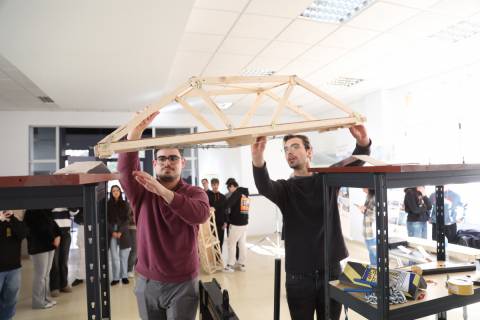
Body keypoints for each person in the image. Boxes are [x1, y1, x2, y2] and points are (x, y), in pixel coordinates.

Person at [251, 125, 371, 320]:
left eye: (295, 146)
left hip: (330, 272)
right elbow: (264, 185)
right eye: (286, 149)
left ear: (309, 152)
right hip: (298, 277)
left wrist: (363, 142)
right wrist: (257, 159)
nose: (289, 152)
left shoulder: (327, 179)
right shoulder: (285, 189)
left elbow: (354, 162)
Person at [118, 111, 210, 320]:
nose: (167, 162)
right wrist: (134, 135)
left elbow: (201, 215)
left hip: (183, 284)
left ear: (182, 163)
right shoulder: (141, 192)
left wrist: (163, 192)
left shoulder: (195, 192)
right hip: (147, 282)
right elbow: (125, 170)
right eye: (162, 158)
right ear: (154, 163)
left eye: (173, 158)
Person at [24, 209, 61, 309]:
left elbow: (52, 223)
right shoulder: (30, 211)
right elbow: (38, 228)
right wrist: (53, 236)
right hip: (38, 247)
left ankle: (44, 298)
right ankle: (37, 302)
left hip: (49, 245)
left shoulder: (46, 209)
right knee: (40, 275)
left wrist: (58, 235)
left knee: (46, 275)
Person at [0, 210, 27, 320]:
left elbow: (23, 233)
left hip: (14, 267)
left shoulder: (13, 221)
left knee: (11, 299)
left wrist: (13, 219)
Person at [107, 185, 132, 286]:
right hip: (111, 231)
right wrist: (112, 231)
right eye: (113, 191)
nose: (115, 192)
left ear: (120, 192)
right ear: (111, 193)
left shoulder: (125, 204)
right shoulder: (108, 205)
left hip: (123, 231)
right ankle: (116, 278)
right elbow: (106, 220)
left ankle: (124, 276)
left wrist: (120, 231)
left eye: (117, 190)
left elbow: (127, 219)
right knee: (114, 257)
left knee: (123, 256)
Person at [223, 178, 249, 272]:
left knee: (231, 243)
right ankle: (242, 264)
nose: (229, 190)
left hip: (237, 223)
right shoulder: (245, 192)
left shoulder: (237, 193)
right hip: (245, 222)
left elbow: (228, 205)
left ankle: (230, 265)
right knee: (242, 243)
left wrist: (226, 210)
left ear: (232, 186)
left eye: (229, 188)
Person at [49, 208, 74, 296]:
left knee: (64, 260)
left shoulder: (67, 198)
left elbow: (74, 212)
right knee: (54, 261)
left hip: (66, 233)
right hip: (54, 233)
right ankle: (54, 287)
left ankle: (64, 284)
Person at [357, 189, 376, 265]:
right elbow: (368, 213)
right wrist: (363, 210)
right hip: (367, 231)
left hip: (371, 232)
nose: (362, 190)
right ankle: (374, 269)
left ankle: (376, 271)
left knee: (374, 253)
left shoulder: (375, 198)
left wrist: (364, 210)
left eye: (363, 187)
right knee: (371, 253)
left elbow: (375, 215)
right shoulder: (369, 197)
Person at [209, 178, 227, 251]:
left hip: (221, 223)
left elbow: (226, 210)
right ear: (211, 185)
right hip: (211, 223)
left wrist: (226, 222)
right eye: (213, 185)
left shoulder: (223, 197)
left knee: (220, 241)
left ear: (218, 185)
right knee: (212, 242)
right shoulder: (207, 196)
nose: (215, 186)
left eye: (216, 184)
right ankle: (214, 260)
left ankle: (219, 259)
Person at [71, 208, 85, 287]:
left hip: (96, 225)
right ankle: (80, 276)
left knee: (96, 253)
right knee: (81, 254)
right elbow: (73, 212)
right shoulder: (80, 199)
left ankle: (97, 275)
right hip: (82, 226)